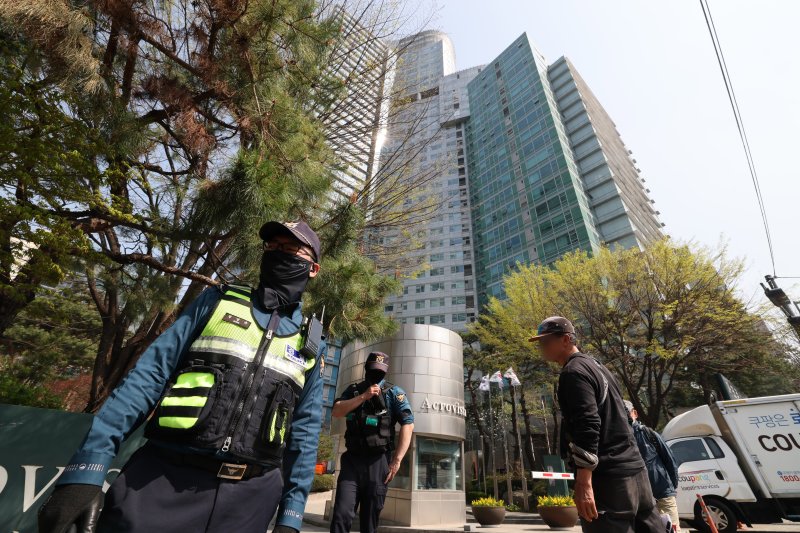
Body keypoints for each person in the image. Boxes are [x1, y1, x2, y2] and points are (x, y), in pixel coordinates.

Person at [39, 220, 328, 533]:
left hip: (250, 503)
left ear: (312, 268)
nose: (277, 254)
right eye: (271, 247)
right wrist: (87, 471)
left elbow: (305, 432)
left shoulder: (310, 343)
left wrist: (291, 516)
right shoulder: (217, 302)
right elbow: (148, 377)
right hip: (160, 482)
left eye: (288, 249)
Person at [529, 316, 664, 533]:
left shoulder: (573, 373)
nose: (541, 348)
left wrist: (584, 480)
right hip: (636, 472)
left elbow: (588, 423)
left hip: (609, 478)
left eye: (546, 342)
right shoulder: (598, 366)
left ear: (565, 339)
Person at [329, 352, 414, 533]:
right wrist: (364, 396)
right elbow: (336, 411)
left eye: (380, 371)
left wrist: (397, 460)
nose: (376, 374)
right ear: (366, 369)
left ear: (386, 372)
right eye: (373, 370)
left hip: (379, 462)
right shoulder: (354, 391)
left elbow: (408, 423)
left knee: (370, 522)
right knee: (341, 515)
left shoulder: (394, 393)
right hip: (352, 461)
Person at [624, 400, 681, 532]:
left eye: (627, 412)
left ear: (635, 413)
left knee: (671, 530)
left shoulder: (648, 433)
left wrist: (670, 488)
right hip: (638, 501)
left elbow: (670, 460)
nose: (626, 417)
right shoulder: (618, 438)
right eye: (622, 413)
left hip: (662, 495)